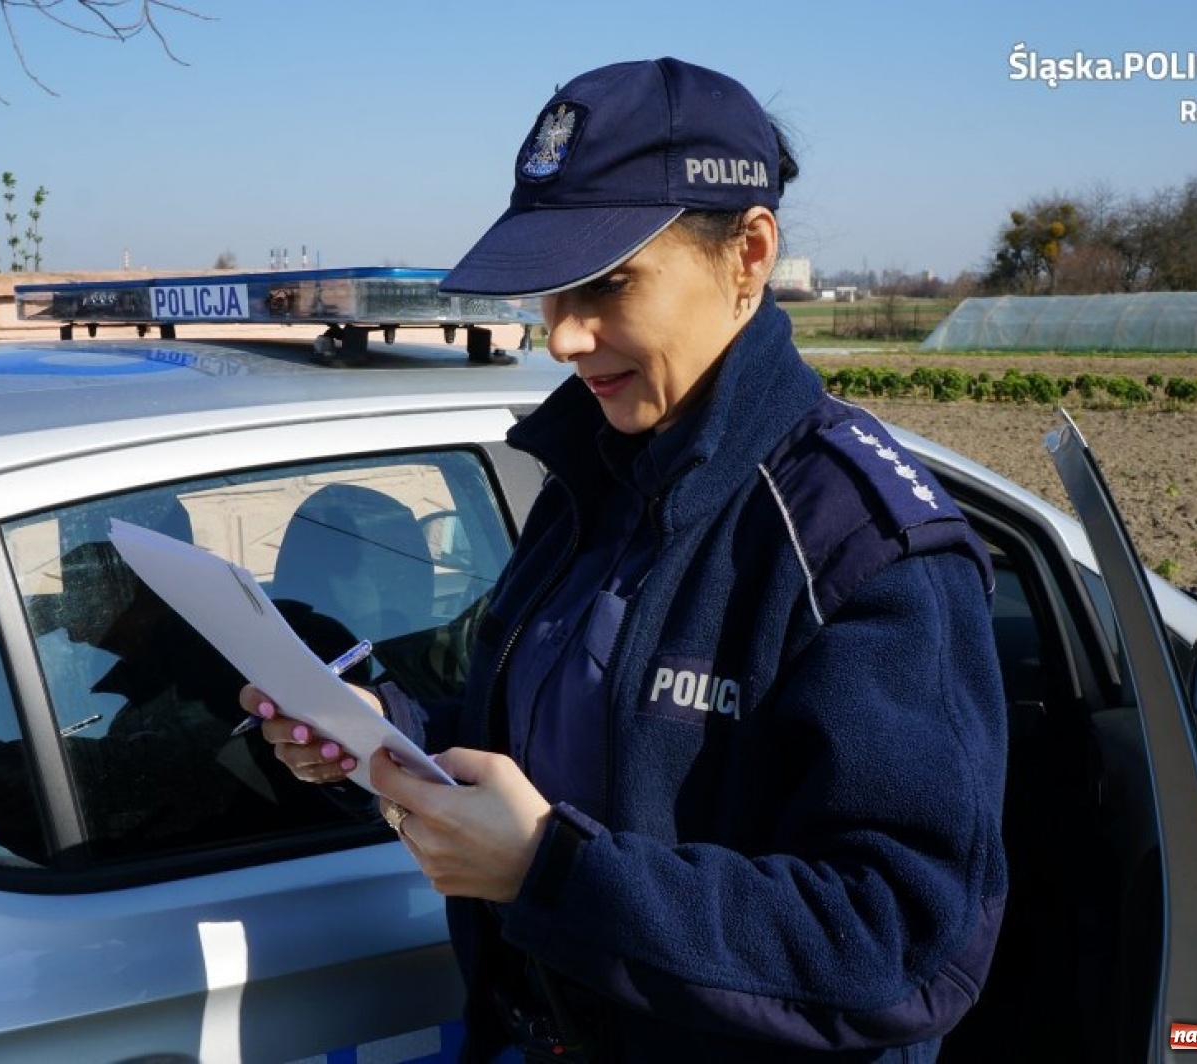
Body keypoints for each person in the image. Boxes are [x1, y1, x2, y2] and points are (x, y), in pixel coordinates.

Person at [241, 57, 1008, 1062]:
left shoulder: (858, 544)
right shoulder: (594, 480)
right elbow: (543, 746)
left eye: (607, 281)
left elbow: (901, 937)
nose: (562, 335)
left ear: (749, 254)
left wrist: (552, 872)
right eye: (552, 289)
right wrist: (386, 731)